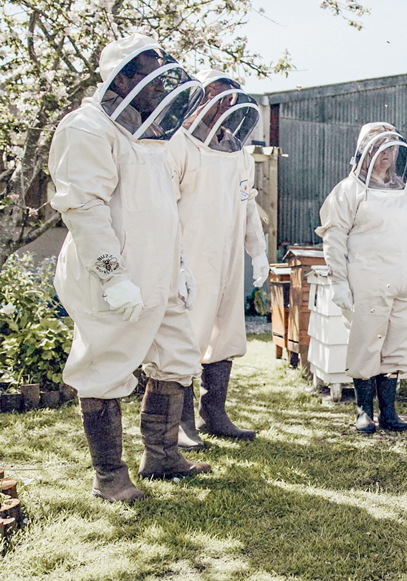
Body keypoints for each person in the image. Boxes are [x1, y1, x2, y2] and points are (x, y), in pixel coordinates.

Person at [49, 33, 211, 502]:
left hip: (160, 275)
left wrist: (179, 265)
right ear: (121, 79)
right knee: (104, 366)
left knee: (178, 357)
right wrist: (112, 275)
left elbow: (164, 210)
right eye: (146, 72)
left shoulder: (150, 136)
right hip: (112, 280)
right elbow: (84, 209)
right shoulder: (87, 128)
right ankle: (109, 478)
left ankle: (161, 456)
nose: (157, 85)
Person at [167, 70, 268, 450]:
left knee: (225, 333)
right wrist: (174, 264)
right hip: (189, 258)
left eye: (231, 98)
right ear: (200, 98)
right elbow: (165, 208)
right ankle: (181, 424)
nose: (224, 105)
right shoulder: (178, 145)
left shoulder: (239, 153)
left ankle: (215, 415)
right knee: (185, 337)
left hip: (227, 260)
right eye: (216, 96)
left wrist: (257, 251)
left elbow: (248, 204)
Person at [315, 122, 407, 434]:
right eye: (380, 147)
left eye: (391, 147)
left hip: (405, 284)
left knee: (398, 345)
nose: (387, 154)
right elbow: (334, 238)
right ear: (364, 151)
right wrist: (338, 280)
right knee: (366, 345)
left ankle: (389, 412)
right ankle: (364, 412)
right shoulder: (348, 191)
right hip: (368, 282)